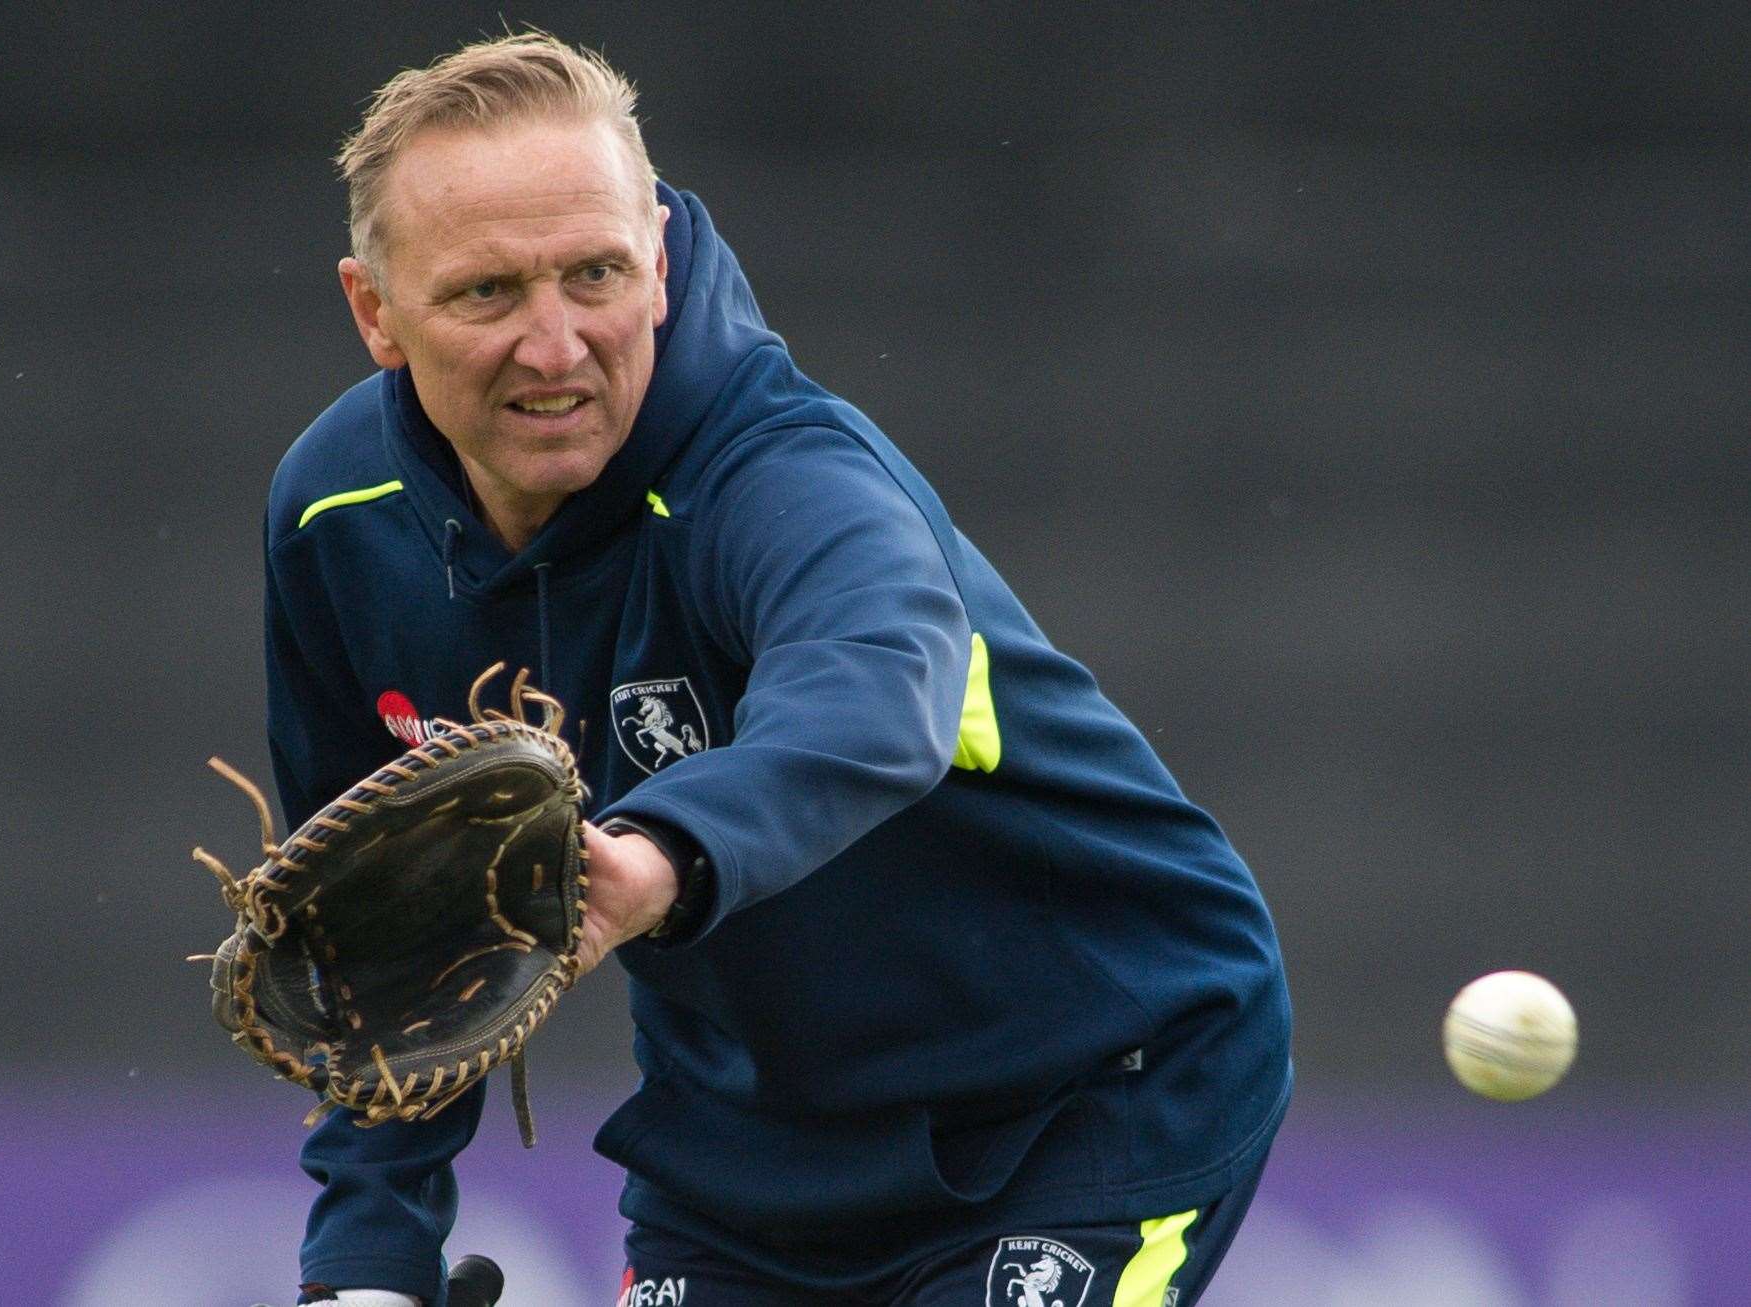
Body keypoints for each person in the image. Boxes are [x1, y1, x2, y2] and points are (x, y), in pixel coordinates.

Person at [263, 31, 1291, 1307]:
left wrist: (651, 856)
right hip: (753, 1157)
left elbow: (874, 696)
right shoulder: (334, 518)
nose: (555, 345)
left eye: (595, 274)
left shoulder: (781, 472)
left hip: (1084, 1090)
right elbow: (381, 945)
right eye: (486, 294)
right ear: (376, 312)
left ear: (659, 263)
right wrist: (367, 1264)